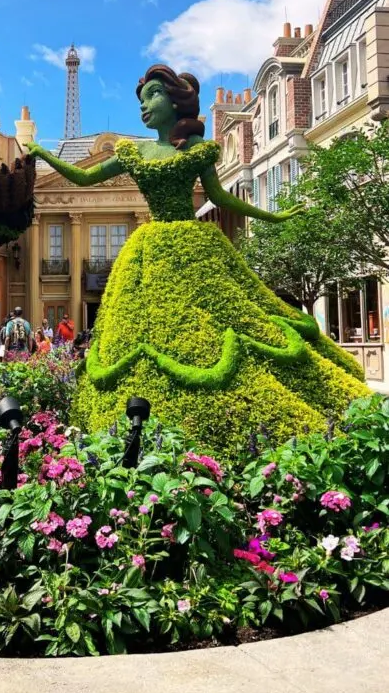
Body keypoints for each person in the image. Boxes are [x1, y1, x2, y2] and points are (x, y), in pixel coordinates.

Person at [26, 63, 368, 444]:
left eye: (153, 95)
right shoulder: (134, 153)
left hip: (194, 245)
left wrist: (273, 215)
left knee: (224, 318)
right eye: (141, 99)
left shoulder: (197, 151)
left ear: (176, 101)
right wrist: (43, 152)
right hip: (149, 248)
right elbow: (85, 177)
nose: (145, 105)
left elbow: (220, 197)